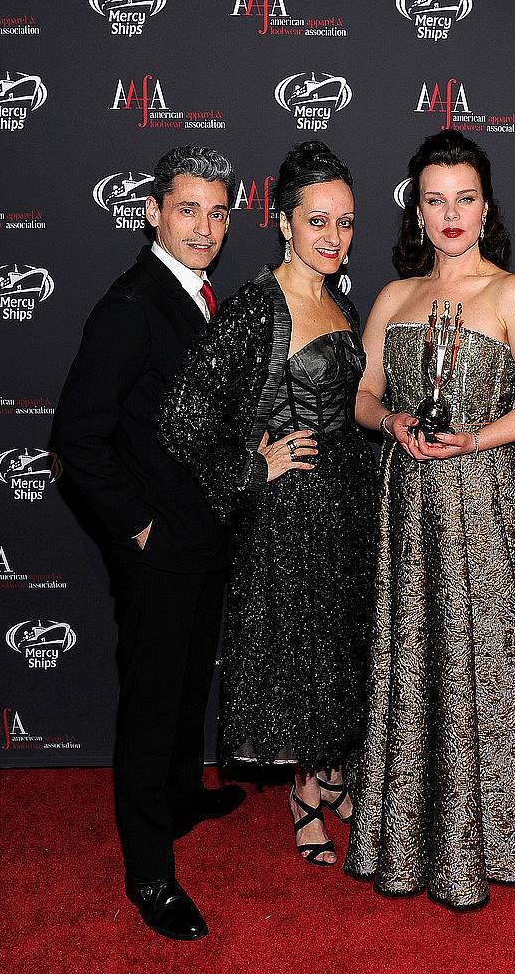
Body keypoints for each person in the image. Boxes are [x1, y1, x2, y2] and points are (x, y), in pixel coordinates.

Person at [344, 129, 515, 909]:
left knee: (493, 662)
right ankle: (411, 834)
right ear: (416, 211)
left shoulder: (513, 294)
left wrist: (475, 436)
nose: (450, 214)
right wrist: (394, 422)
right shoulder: (393, 298)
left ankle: (506, 838)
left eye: (464, 199)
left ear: (485, 208)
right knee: (414, 660)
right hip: (408, 502)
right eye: (434, 199)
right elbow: (363, 395)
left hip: (485, 500)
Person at [159, 141, 377, 869]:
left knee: (341, 647)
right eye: (317, 221)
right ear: (284, 222)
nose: (333, 237)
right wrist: (252, 469)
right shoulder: (258, 307)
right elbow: (184, 420)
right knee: (306, 653)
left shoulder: (340, 296)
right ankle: (303, 798)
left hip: (349, 500)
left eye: (345, 223)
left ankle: (334, 771)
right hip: (291, 514)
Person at [53, 146, 245, 941]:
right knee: (150, 703)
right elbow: (76, 439)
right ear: (153, 214)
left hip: (203, 540)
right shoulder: (131, 305)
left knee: (188, 682)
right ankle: (150, 874)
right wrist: (141, 527)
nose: (205, 227)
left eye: (219, 211)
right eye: (188, 209)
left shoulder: (200, 297)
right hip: (158, 547)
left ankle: (179, 792)